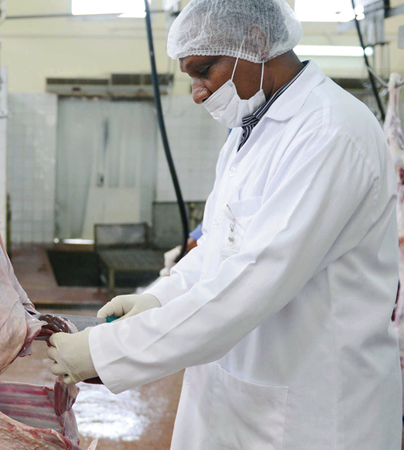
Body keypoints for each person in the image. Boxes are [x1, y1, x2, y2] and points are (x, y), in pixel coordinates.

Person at [46, 0, 403, 448]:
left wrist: (107, 352)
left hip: (313, 415)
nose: (198, 93)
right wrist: (159, 297)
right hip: (240, 400)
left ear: (255, 40)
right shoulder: (247, 134)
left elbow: (255, 279)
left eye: (204, 71)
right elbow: (219, 247)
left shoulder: (331, 133)